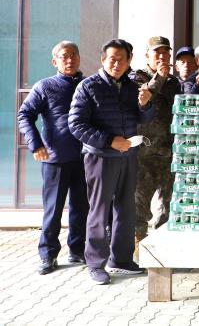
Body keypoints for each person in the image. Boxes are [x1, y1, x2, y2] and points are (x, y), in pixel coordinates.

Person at [68, 39, 154, 285]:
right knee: (99, 210)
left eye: (122, 59)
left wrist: (145, 104)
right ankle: (95, 263)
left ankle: (122, 259)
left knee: (127, 208)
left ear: (129, 61)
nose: (116, 64)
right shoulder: (88, 87)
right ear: (103, 60)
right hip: (100, 157)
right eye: (112, 59)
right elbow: (76, 124)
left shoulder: (132, 86)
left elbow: (144, 117)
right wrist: (108, 141)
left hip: (128, 156)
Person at [17, 41, 89, 275]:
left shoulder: (88, 85)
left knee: (81, 208)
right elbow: (25, 114)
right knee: (53, 210)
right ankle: (47, 255)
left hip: (85, 158)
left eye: (73, 55)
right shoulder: (45, 86)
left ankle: (77, 250)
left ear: (79, 58)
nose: (70, 60)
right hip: (55, 159)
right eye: (64, 56)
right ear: (55, 61)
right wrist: (35, 143)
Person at [130, 36, 181, 253]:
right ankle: (137, 252)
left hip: (169, 152)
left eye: (166, 53)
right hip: (145, 154)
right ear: (147, 56)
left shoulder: (173, 81)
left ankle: (163, 252)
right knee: (139, 207)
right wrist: (158, 78)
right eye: (157, 53)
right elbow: (143, 97)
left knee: (167, 206)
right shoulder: (136, 78)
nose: (162, 57)